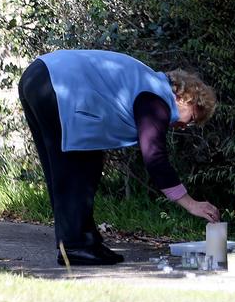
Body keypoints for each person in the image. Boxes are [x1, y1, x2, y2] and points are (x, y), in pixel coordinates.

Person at [18, 49, 219, 266]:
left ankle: (86, 241)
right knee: (77, 167)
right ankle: (74, 246)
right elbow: (155, 157)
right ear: (184, 98)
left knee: (80, 163)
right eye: (191, 119)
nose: (183, 126)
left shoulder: (148, 84)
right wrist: (191, 204)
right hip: (56, 83)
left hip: (38, 76)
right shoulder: (157, 100)